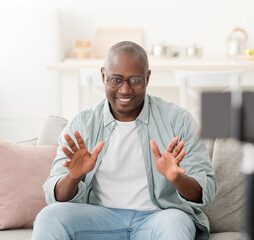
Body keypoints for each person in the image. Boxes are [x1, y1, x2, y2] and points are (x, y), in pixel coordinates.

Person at [32, 41, 217, 240]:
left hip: (158, 217)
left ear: (147, 77)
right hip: (100, 219)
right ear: (103, 76)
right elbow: (55, 196)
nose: (125, 90)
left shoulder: (178, 120)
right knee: (49, 217)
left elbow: (205, 189)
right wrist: (74, 176)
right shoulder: (82, 124)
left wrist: (176, 179)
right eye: (116, 80)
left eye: (135, 80)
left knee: (177, 222)